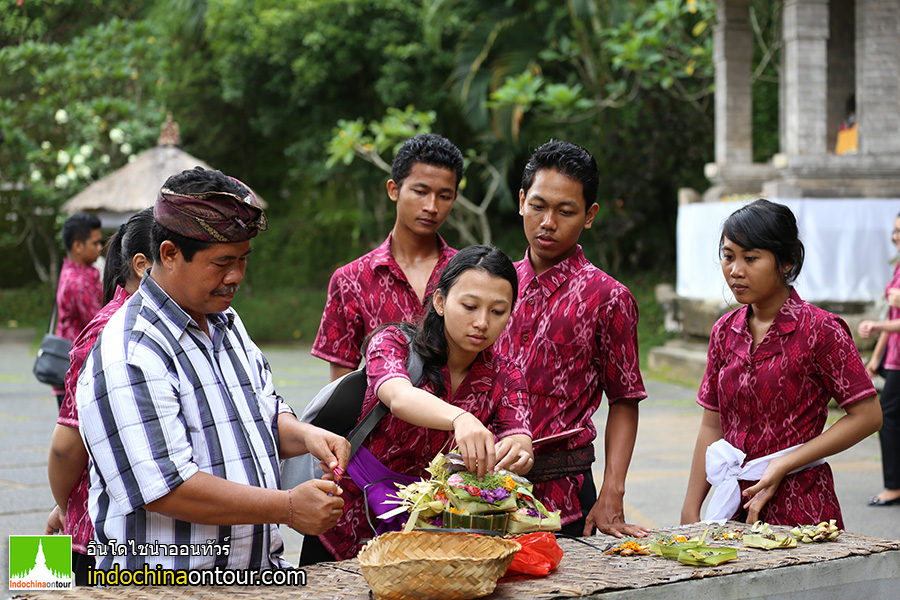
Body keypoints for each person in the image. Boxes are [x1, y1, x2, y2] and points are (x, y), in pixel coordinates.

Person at [76, 167, 350, 572]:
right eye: (222, 262)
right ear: (168, 254)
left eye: (243, 260)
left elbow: (262, 411)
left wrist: (308, 435)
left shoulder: (226, 321)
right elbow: (165, 489)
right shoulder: (130, 351)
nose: (235, 276)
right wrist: (288, 507)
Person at [314, 245, 533, 562]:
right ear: (441, 302)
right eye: (470, 306)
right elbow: (399, 396)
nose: (482, 322)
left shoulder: (507, 375)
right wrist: (462, 418)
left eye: (498, 311)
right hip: (350, 518)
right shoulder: (393, 342)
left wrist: (518, 451)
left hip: (434, 539)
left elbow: (518, 436)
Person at [681, 199, 882, 528]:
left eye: (751, 258)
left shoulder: (821, 330)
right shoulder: (724, 331)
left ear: (787, 262)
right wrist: (691, 509)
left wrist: (785, 463)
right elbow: (712, 426)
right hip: (733, 507)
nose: (735, 270)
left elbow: (868, 416)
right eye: (728, 256)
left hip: (801, 505)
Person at [492, 139, 649, 539]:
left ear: (589, 215)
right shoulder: (493, 287)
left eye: (566, 212)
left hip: (563, 496)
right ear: (522, 200)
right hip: (482, 493)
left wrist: (613, 491)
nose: (548, 222)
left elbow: (624, 399)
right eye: (539, 206)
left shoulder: (607, 297)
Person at [45, 208, 153, 585]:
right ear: (145, 265)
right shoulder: (113, 330)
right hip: (96, 536)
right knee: (43, 582)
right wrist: (65, 506)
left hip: (106, 531)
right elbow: (65, 449)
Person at [312, 133, 464, 380]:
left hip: (457, 418)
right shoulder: (351, 279)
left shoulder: (466, 274)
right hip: (382, 416)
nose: (432, 207)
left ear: (454, 199)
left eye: (444, 196)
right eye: (420, 191)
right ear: (394, 190)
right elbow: (340, 386)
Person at [858, 211, 900, 506]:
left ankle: (894, 486)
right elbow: (893, 314)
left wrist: (876, 327)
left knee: (885, 416)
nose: (896, 237)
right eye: (895, 231)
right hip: (895, 358)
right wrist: (875, 358)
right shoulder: (898, 269)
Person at [54, 212, 103, 408]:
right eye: (95, 243)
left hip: (71, 370)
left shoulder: (71, 271)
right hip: (76, 374)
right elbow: (99, 324)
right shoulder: (79, 282)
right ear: (77, 246)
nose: (100, 248)